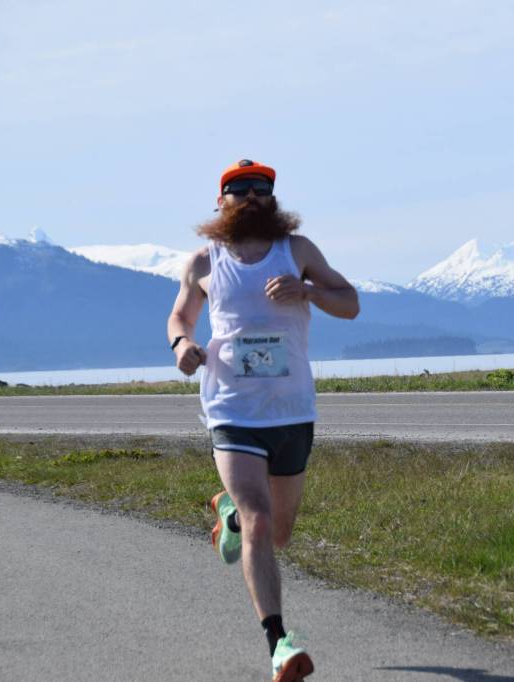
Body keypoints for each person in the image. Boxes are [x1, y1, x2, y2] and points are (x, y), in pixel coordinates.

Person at [167, 159, 359, 681]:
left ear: (273, 200)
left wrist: (310, 292)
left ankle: (228, 513)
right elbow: (181, 315)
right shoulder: (204, 262)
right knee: (259, 520)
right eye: (240, 190)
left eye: (262, 190)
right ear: (221, 201)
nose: (252, 197)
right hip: (231, 408)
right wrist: (182, 343)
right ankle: (279, 644)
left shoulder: (296, 252)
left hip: (292, 408)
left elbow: (351, 302)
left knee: (278, 533)